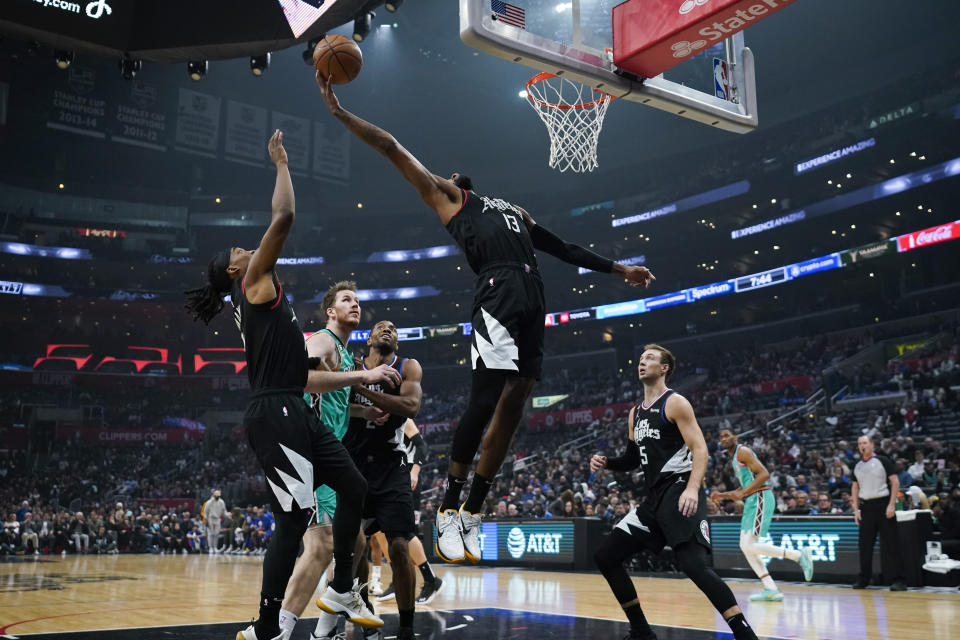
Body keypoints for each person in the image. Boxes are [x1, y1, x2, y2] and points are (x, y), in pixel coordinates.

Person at [317, 75, 655, 564]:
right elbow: (391, 147)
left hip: (533, 293)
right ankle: (447, 507)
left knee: (516, 401)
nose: (450, 176)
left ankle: (473, 510)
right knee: (486, 396)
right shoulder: (451, 200)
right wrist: (340, 113)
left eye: (455, 175)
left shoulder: (515, 210)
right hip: (496, 293)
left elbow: (559, 246)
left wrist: (618, 267)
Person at [184, 131, 383, 640]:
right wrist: (280, 164)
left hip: (295, 407)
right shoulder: (254, 281)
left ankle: (341, 587)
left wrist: (355, 395)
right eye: (239, 249)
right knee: (294, 521)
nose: (248, 247)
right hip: (275, 413)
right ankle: (268, 624)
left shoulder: (261, 293)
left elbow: (300, 371)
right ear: (234, 268)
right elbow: (285, 217)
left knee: (355, 487)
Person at [590, 345, 759, 640]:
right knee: (605, 556)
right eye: (641, 359)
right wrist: (608, 462)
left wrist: (693, 488)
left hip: (680, 489)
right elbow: (632, 459)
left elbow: (700, 449)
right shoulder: (635, 414)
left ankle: (745, 634)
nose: (642, 362)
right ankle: (641, 630)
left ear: (664, 367)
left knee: (695, 566)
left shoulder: (675, 402)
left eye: (650, 358)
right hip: (653, 500)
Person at [278, 286, 402, 640]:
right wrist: (364, 378)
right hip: (308, 453)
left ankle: (324, 629)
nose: (355, 305)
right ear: (330, 311)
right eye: (346, 300)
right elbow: (300, 376)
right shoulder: (324, 341)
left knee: (356, 542)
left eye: (358, 301)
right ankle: (282, 629)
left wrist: (363, 410)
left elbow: (328, 396)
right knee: (322, 546)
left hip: (329, 455)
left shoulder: (345, 354)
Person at [712, 429, 813, 601]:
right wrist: (723, 495)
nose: (724, 438)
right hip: (752, 499)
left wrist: (742, 494)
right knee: (745, 546)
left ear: (735, 437)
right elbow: (743, 487)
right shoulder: (734, 458)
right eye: (721, 437)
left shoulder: (742, 451)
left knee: (750, 545)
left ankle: (798, 555)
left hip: (760, 497)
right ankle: (771, 588)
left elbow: (764, 474)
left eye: (727, 435)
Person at [852, 435, 907, 591]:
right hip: (866, 507)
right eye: (859, 443)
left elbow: (895, 482)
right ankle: (864, 578)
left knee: (892, 544)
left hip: (883, 504)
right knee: (864, 545)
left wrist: (891, 505)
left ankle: (899, 579)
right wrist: (856, 509)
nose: (862, 445)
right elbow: (855, 488)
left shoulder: (883, 460)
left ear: (872, 445)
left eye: (865, 443)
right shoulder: (857, 465)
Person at [202, 489, 227, 554]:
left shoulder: (222, 502)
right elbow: (205, 512)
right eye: (216, 496)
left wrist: (227, 515)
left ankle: (215, 547)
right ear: (214, 495)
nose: (217, 497)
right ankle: (211, 547)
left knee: (216, 534)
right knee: (210, 534)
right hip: (210, 518)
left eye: (218, 496)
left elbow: (224, 511)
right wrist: (206, 520)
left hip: (217, 519)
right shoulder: (209, 502)